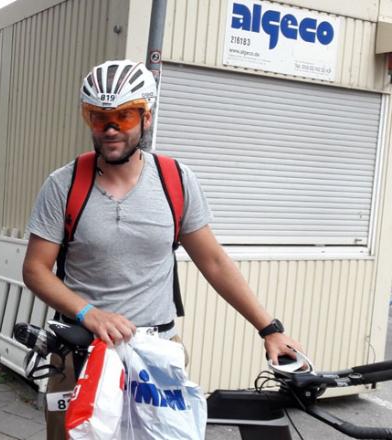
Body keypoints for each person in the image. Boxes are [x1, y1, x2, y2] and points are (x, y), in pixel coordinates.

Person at [21, 59, 303, 439]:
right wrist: (90, 314)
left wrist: (269, 328)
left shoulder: (175, 181)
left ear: (146, 117)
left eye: (123, 116)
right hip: (82, 352)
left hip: (157, 352)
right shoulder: (63, 185)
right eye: (99, 118)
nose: (110, 129)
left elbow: (214, 262)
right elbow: (35, 269)